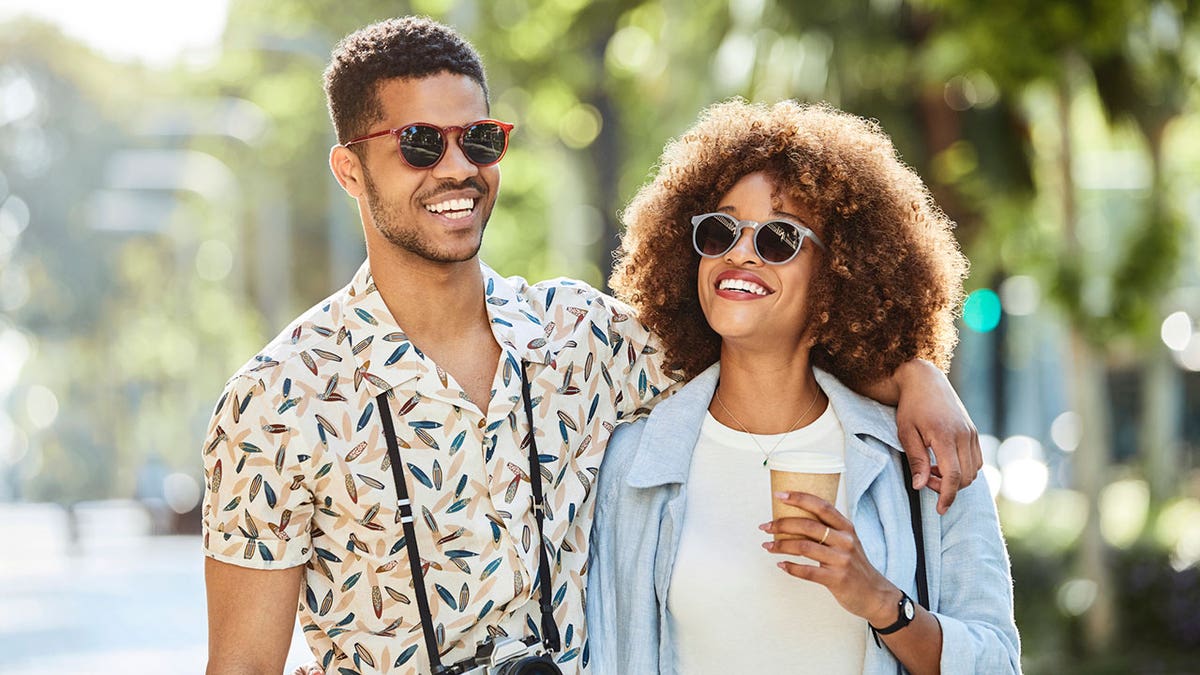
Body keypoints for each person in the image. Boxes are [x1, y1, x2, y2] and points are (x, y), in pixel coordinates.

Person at [202, 17, 983, 675]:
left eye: (479, 139)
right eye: (418, 144)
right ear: (349, 168)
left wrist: (917, 371)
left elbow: (769, 340)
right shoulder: (275, 402)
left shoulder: (585, 338)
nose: (458, 169)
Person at [587, 100, 1020, 674]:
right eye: (721, 231)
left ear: (840, 274)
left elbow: (997, 662)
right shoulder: (634, 463)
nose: (740, 252)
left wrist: (880, 601)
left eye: (778, 239)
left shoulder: (921, 451)